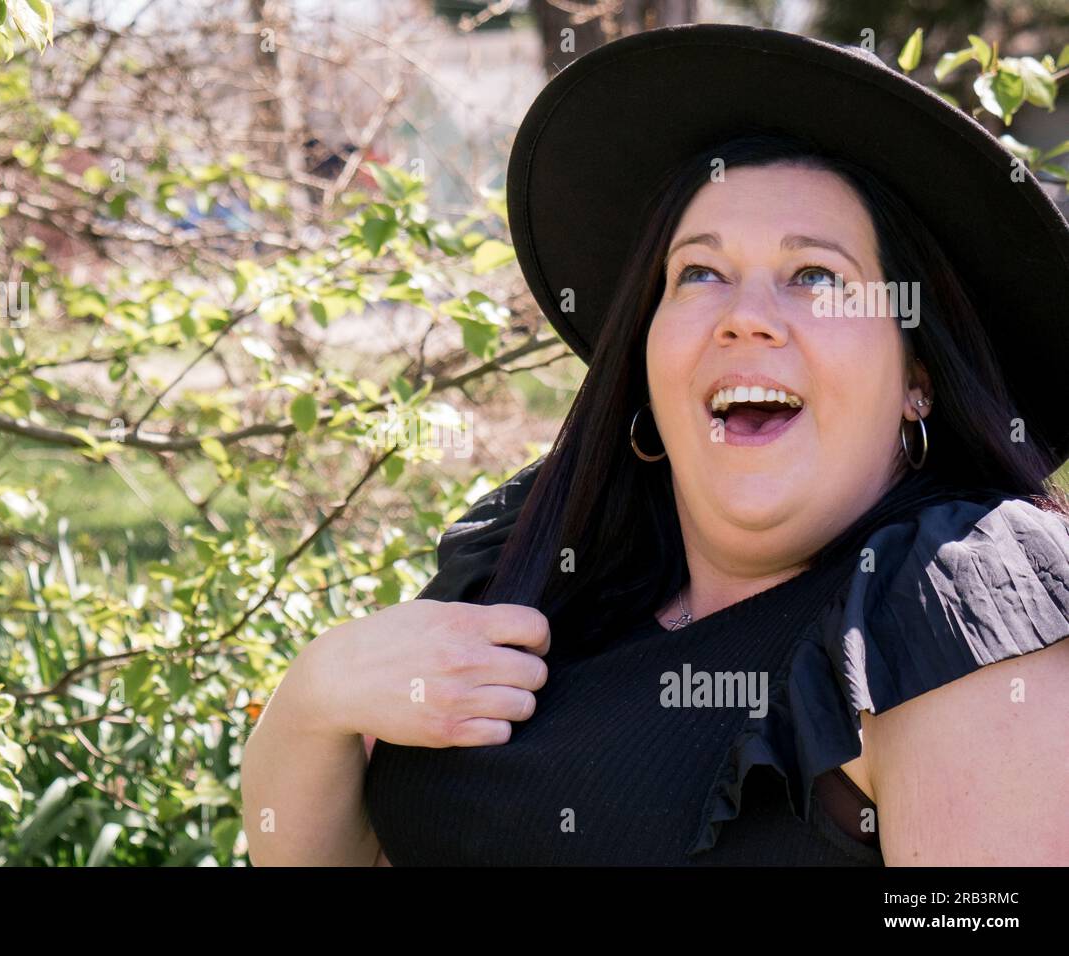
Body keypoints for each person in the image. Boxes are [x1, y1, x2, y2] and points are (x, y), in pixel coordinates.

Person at [240, 23, 1069, 866]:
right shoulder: (543, 551)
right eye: (700, 274)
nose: (745, 315)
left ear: (916, 375)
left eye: (815, 276)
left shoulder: (952, 601)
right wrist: (317, 694)